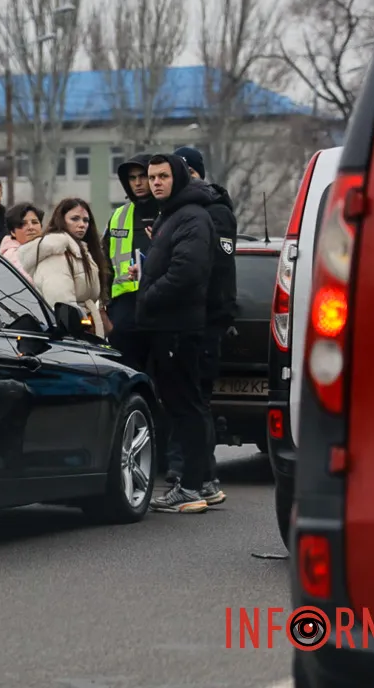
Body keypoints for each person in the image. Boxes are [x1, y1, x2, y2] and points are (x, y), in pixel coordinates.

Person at [131, 153, 217, 513]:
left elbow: (187, 271)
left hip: (178, 328)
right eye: (152, 177)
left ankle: (193, 487)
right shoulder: (173, 214)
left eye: (163, 176)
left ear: (177, 177)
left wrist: (149, 294)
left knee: (186, 408)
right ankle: (198, 485)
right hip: (169, 325)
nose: (155, 183)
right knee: (185, 406)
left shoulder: (192, 216)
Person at [168, 145, 237, 505]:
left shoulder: (213, 212)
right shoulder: (194, 210)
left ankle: (197, 478)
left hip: (204, 321)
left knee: (195, 401)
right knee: (191, 400)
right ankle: (199, 476)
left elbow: (216, 272)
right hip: (198, 319)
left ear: (192, 172)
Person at [16, 197, 111, 338]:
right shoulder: (56, 254)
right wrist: (81, 329)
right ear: (61, 220)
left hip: (85, 331)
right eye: (75, 219)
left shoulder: (82, 251)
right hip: (71, 337)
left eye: (86, 220)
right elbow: (62, 306)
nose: (82, 225)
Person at [102, 153, 159, 372]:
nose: (137, 183)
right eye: (132, 178)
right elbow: (104, 261)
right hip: (124, 311)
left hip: (158, 305)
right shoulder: (119, 215)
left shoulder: (170, 213)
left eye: (142, 176)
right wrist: (105, 307)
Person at [0, 202, 44, 280]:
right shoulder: (12, 256)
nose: (31, 227)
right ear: (13, 232)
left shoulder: (46, 249)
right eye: (23, 224)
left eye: (35, 222)